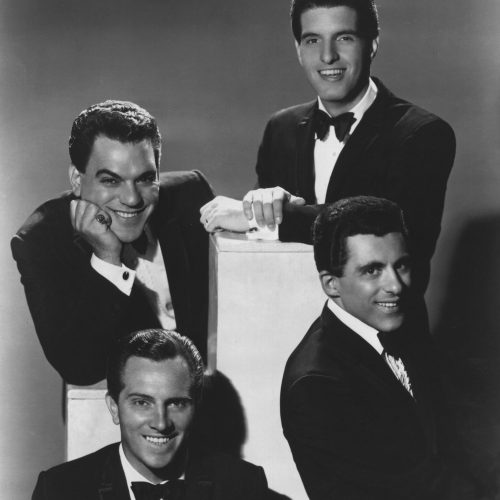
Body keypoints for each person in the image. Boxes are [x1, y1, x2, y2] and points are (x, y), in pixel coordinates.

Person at [200, 0, 455, 294]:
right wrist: (259, 209)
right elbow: (264, 249)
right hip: (285, 314)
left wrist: (260, 216)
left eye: (344, 38)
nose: (327, 56)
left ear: (372, 44)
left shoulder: (423, 133)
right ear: (298, 49)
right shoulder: (280, 128)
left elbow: (388, 233)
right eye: (312, 40)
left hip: (380, 321)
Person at [280, 196, 492, 500]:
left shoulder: (401, 329)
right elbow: (415, 487)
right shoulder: (317, 383)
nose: (395, 285)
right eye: (372, 270)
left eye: (401, 265)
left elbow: (453, 439)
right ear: (331, 284)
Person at [12, 100, 214, 385]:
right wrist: (107, 258)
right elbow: (80, 369)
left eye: (145, 179)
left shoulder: (190, 195)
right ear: (77, 179)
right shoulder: (42, 239)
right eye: (111, 181)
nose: (132, 199)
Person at [31, 329, 270, 500]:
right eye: (142, 403)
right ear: (114, 407)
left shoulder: (244, 488)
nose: (161, 423)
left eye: (176, 403)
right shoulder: (59, 491)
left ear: (196, 407)